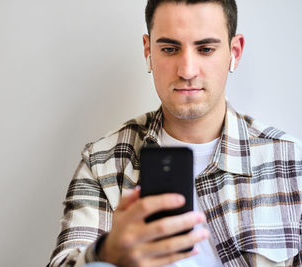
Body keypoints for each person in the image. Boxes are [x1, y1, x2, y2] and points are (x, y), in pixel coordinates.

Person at [48, 0, 302, 266]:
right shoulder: (102, 162)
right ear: (148, 51)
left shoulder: (291, 161)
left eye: (205, 49)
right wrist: (107, 254)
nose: (187, 71)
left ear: (234, 52)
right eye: (170, 49)